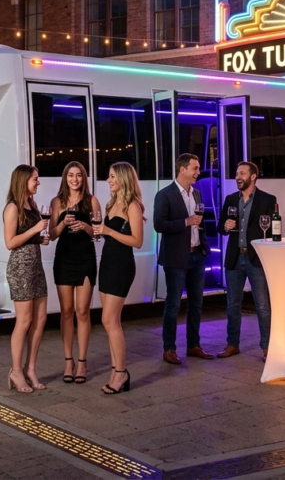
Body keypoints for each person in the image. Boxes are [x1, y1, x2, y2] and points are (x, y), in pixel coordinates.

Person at [154, 153, 212, 365]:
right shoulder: (165, 195)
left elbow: (200, 222)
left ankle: (193, 345)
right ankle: (169, 348)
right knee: (173, 304)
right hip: (176, 257)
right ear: (182, 169)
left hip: (197, 254)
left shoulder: (196, 194)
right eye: (195, 168)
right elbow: (159, 225)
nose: (198, 172)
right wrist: (185, 222)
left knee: (197, 303)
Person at [216, 161, 276, 360]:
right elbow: (220, 228)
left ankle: (267, 347)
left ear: (253, 176)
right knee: (233, 304)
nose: (237, 177)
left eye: (242, 173)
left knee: (263, 305)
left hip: (255, 258)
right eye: (236, 173)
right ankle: (232, 344)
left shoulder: (267, 199)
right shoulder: (231, 199)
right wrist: (225, 225)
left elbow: (273, 227)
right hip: (234, 257)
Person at [93, 162, 144, 394]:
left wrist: (109, 231)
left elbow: (137, 241)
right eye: (109, 176)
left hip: (122, 266)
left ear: (123, 178)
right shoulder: (111, 203)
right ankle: (116, 370)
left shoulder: (133, 206)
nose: (109, 180)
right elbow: (107, 236)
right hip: (106, 263)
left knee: (109, 320)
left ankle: (121, 373)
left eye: (112, 176)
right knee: (110, 321)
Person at [49, 161, 101, 384]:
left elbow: (98, 234)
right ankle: (68, 361)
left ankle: (82, 363)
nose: (75, 179)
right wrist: (63, 225)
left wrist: (86, 227)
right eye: (71, 175)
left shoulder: (92, 201)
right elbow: (51, 235)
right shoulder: (57, 202)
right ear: (65, 178)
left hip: (85, 258)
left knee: (82, 311)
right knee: (67, 311)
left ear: (84, 178)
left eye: (78, 175)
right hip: (64, 259)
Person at [3, 164, 51, 394]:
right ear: (23, 181)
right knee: (24, 321)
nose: (38, 182)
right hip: (20, 267)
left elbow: (30, 235)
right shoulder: (12, 208)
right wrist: (35, 231)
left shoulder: (30, 204)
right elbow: (10, 242)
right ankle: (15, 371)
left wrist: (40, 239)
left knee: (41, 319)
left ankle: (30, 368)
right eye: (35, 178)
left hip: (36, 266)